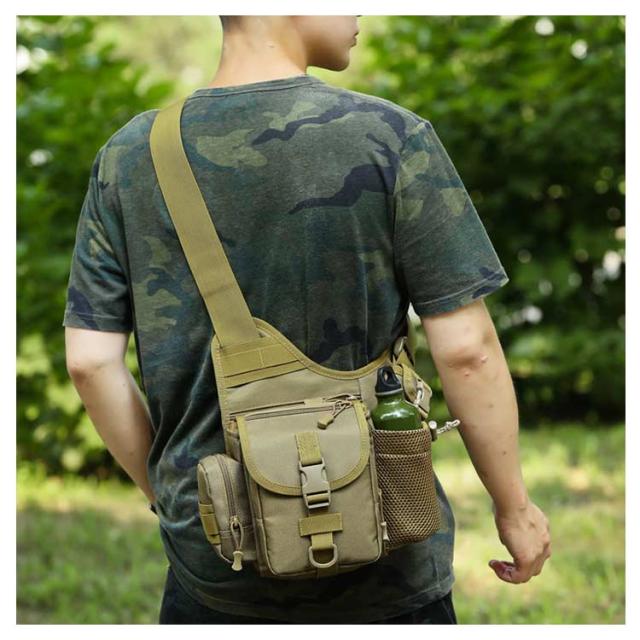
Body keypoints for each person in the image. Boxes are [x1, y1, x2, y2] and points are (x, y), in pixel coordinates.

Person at [63, 15, 551, 625]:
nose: (359, 11)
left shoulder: (129, 156)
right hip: (387, 544)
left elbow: (90, 362)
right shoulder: (391, 136)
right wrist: (514, 508)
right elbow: (467, 350)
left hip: (216, 554)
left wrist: (171, 495)